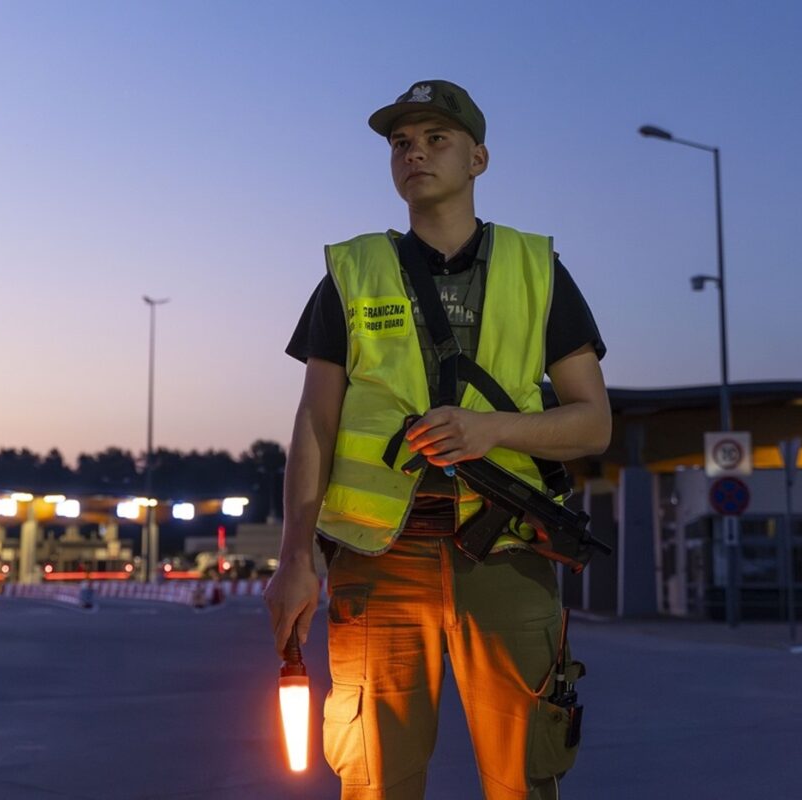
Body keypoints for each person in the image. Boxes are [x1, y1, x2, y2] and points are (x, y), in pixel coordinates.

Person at [264, 80, 611, 799]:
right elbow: (314, 424)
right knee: (375, 779)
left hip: (506, 554)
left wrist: (491, 430)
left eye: (436, 139)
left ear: (479, 158)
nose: (414, 153)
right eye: (400, 143)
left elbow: (592, 422)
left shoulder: (537, 270)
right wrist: (295, 555)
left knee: (525, 774)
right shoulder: (350, 273)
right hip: (380, 562)